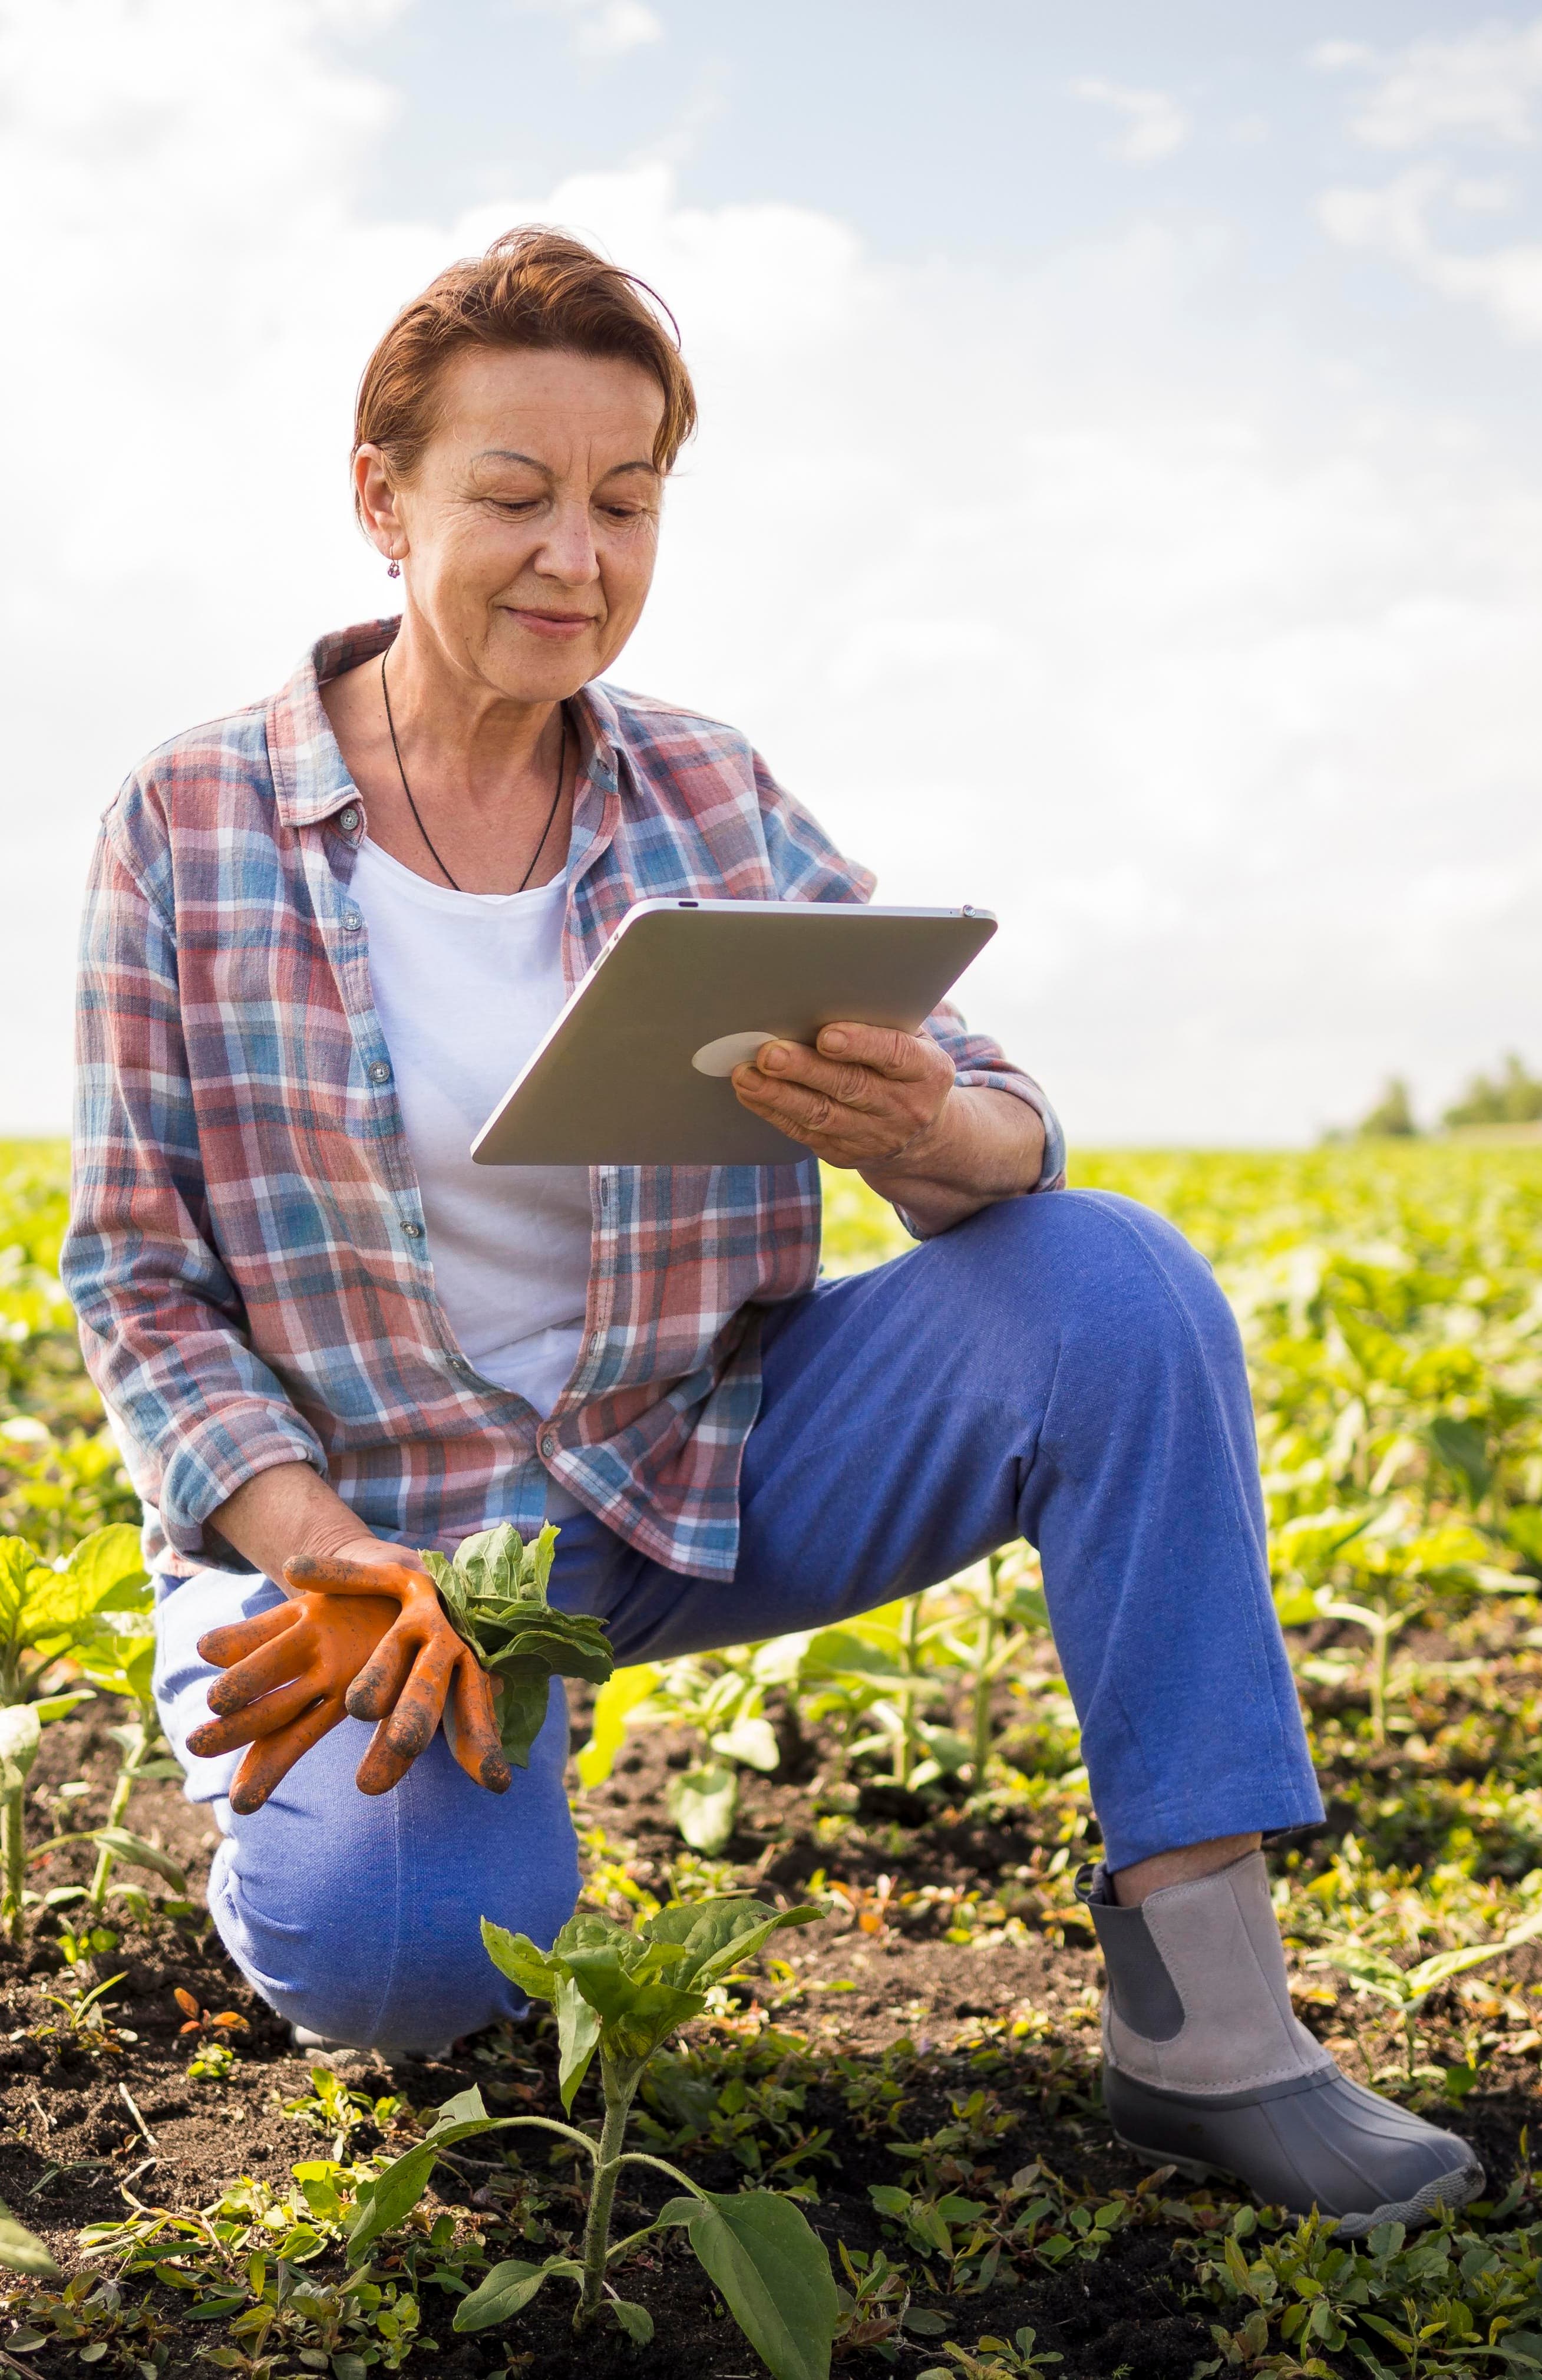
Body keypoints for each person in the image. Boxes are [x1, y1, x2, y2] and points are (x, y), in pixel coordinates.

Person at [62, 228, 1478, 2237]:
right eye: (517, 495)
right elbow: (132, 1270)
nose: (578, 555)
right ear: (381, 499)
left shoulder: (703, 788)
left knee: (1115, 1281)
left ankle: (1212, 2024)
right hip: (380, 1549)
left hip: (688, 1469)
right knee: (401, 1966)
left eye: (626, 502)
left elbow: (990, 1110)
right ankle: (291, 1801)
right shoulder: (187, 825)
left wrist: (937, 1132)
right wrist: (312, 1546)